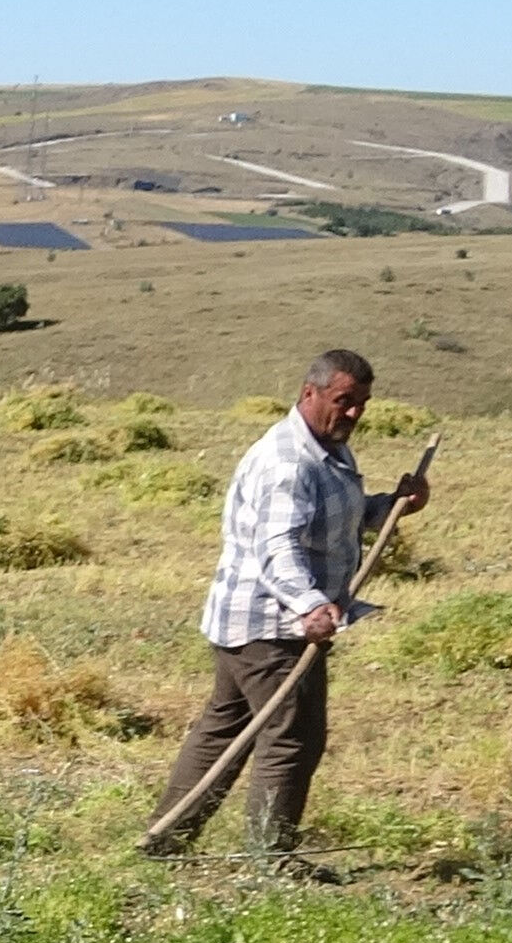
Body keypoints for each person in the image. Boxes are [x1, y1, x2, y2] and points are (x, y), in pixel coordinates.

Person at [145, 348, 434, 857]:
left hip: (255, 620)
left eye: (362, 403)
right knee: (292, 737)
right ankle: (269, 859)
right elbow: (277, 547)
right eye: (344, 401)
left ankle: (166, 840)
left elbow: (336, 517)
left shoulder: (328, 449)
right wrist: (309, 606)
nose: (354, 414)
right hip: (269, 623)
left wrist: (392, 506)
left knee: (226, 726)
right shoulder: (288, 462)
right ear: (310, 393)